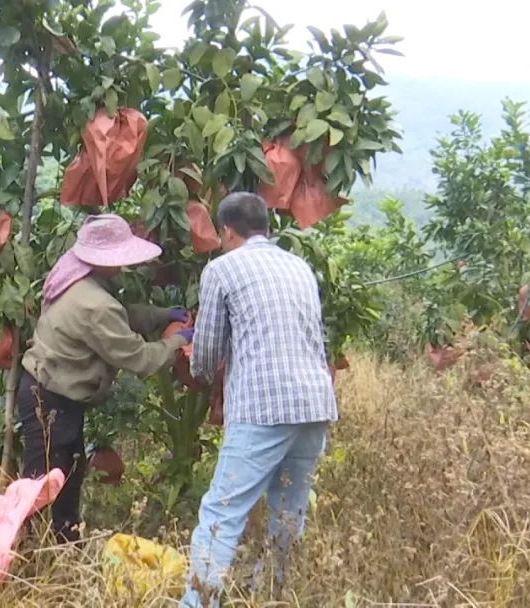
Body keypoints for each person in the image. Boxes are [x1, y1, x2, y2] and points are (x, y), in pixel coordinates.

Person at [181, 192, 336, 607]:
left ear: (227, 231)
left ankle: (198, 604)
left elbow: (209, 351)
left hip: (263, 407)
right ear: (265, 227)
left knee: (221, 515)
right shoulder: (299, 266)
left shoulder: (222, 269)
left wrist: (194, 372)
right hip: (315, 404)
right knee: (288, 514)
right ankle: (270, 596)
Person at [20, 213, 192, 542]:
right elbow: (140, 358)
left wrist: (160, 316)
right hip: (51, 398)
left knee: (66, 476)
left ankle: (61, 546)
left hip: (52, 391)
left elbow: (121, 314)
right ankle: (30, 551)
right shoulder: (95, 305)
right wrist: (177, 341)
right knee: (43, 482)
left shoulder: (81, 281)